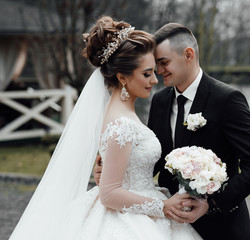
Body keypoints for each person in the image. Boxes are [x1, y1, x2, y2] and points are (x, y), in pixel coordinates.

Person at [10, 17, 202, 240]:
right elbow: (110, 194)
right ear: (122, 77)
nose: (154, 81)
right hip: (129, 219)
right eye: (147, 74)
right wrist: (163, 206)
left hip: (140, 204)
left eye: (153, 72)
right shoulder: (122, 124)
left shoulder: (123, 114)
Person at [95, 23, 250, 240]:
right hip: (167, 224)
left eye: (163, 63)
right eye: (155, 65)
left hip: (221, 227)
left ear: (188, 54)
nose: (158, 72)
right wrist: (114, 171)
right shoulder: (159, 101)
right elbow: (154, 157)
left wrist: (212, 204)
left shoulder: (227, 100)